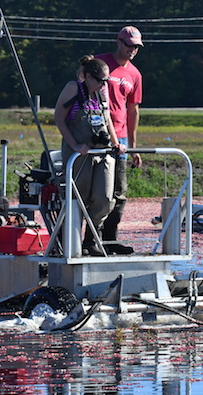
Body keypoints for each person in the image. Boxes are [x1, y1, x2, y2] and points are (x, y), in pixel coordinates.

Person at [54, 55, 126, 256]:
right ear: (87, 76)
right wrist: (75, 145)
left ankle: (91, 239)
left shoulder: (102, 92)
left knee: (104, 198)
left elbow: (108, 119)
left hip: (101, 153)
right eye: (100, 80)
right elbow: (59, 118)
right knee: (79, 197)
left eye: (106, 80)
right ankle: (70, 242)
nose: (103, 84)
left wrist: (115, 142)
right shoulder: (73, 88)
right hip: (79, 154)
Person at [94, 26, 144, 255]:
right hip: (97, 133)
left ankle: (110, 239)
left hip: (121, 136)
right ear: (118, 42)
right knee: (96, 191)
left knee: (119, 190)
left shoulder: (135, 75)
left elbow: (133, 110)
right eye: (128, 44)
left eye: (136, 46)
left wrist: (133, 145)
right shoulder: (99, 63)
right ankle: (90, 238)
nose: (132, 49)